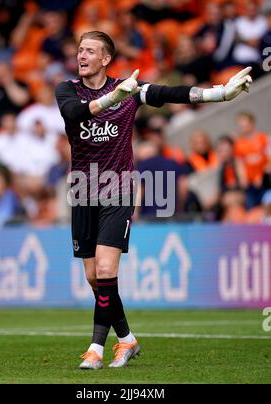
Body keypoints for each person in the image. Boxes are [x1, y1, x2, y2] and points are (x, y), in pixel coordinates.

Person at [55, 31, 252, 370]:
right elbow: (75, 114)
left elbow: (172, 93)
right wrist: (113, 97)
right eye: (79, 50)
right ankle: (127, 340)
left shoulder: (130, 89)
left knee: (105, 268)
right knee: (93, 277)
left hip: (118, 189)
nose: (81, 55)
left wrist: (220, 93)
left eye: (90, 50)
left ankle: (96, 349)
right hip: (83, 190)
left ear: (105, 59)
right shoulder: (68, 89)